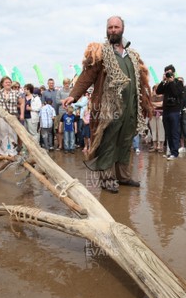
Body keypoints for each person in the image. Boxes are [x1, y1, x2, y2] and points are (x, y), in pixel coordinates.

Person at [63, 16, 153, 193]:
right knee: (108, 141)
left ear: (123, 29)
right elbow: (86, 76)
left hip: (130, 107)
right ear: (106, 30)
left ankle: (123, 176)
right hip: (109, 107)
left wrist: (144, 104)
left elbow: (140, 83)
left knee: (126, 141)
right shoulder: (100, 53)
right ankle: (107, 178)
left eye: (116, 27)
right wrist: (73, 96)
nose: (113, 30)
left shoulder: (132, 56)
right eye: (110, 27)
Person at [157, 64, 183, 160]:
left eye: (169, 72)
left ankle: (175, 153)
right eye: (166, 73)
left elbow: (176, 93)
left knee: (174, 132)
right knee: (168, 132)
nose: (167, 74)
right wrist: (163, 80)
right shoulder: (165, 83)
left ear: (173, 73)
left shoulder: (178, 82)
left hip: (175, 111)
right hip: (166, 111)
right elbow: (158, 91)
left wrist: (171, 82)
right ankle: (170, 151)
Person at [0, 78, 23, 157]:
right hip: (2, 116)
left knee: (12, 134)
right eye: (6, 82)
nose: (8, 83)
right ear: (2, 83)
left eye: (9, 82)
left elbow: (22, 103)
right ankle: (4, 152)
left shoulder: (16, 93)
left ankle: (12, 151)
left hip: (12, 116)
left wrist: (22, 114)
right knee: (2, 134)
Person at [149, 84, 164, 152]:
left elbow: (162, 104)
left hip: (161, 115)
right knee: (153, 130)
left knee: (161, 130)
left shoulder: (164, 96)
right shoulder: (152, 96)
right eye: (155, 89)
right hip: (153, 115)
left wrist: (153, 104)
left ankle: (161, 146)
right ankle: (155, 146)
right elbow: (149, 104)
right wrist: (157, 104)